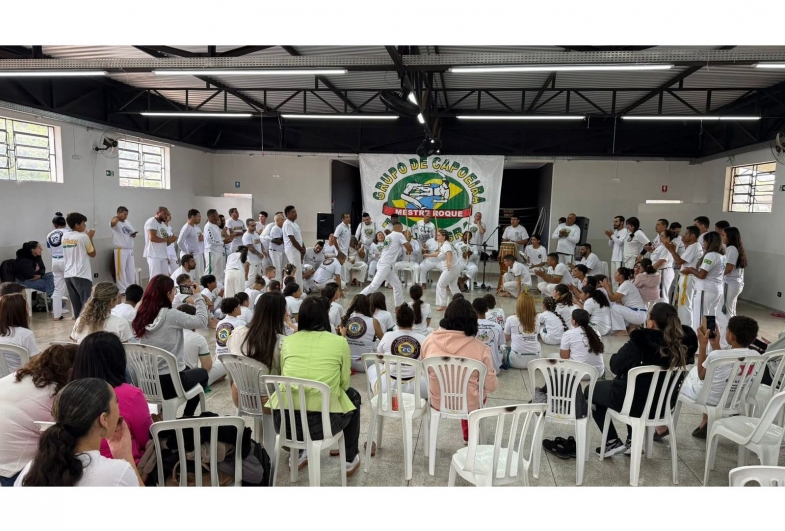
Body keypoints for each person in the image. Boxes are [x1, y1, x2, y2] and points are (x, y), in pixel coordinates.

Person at [267, 296, 363, 475]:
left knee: (294, 398)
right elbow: (343, 384)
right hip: (322, 425)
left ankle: (299, 452)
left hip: (284, 424)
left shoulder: (287, 342)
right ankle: (350, 459)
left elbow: (285, 376)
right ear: (325, 317)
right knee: (353, 395)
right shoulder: (339, 342)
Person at [589, 303, 694, 457]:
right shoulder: (684, 345)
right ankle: (632, 440)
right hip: (662, 405)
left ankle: (611, 441)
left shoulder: (640, 342)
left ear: (651, 322)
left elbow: (615, 365)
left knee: (591, 391)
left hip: (635, 404)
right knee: (636, 387)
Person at [15, 378, 143, 486]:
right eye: (117, 402)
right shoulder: (119, 473)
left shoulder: (32, 469)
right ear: (103, 419)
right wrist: (125, 457)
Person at [0, 343, 78, 486]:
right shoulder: (54, 394)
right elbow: (72, 437)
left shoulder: (17, 376)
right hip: (15, 467)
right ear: (72, 371)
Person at [422, 298, 498, 442]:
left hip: (438, 401)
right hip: (470, 403)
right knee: (477, 391)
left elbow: (424, 373)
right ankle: (470, 436)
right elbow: (491, 386)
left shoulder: (428, 341)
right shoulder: (482, 349)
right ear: (472, 320)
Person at [132, 275, 209, 416]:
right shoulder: (171, 315)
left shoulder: (140, 313)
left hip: (146, 381)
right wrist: (198, 296)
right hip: (170, 383)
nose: (175, 295)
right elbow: (202, 321)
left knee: (187, 368)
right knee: (202, 374)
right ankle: (187, 415)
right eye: (174, 292)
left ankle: (162, 414)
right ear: (167, 294)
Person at [70, 332, 151, 463]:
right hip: (126, 467)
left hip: (78, 466)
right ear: (118, 360)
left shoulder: (67, 393)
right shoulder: (130, 395)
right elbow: (146, 439)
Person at [679, 315, 759, 439]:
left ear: (731, 336)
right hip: (734, 399)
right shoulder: (756, 356)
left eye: (726, 330)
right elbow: (726, 364)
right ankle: (705, 421)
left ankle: (705, 420)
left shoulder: (716, 355)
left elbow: (701, 375)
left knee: (694, 372)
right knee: (718, 378)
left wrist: (703, 346)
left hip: (709, 399)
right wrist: (715, 345)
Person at [226, 292, 286, 407]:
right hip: (268, 400)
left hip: (240, 395)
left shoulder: (237, 333)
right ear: (280, 314)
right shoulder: (281, 342)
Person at [368, 303, 428, 398]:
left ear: (397, 321)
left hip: (387, 388)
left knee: (372, 368)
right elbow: (425, 363)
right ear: (413, 322)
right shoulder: (423, 339)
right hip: (417, 389)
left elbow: (380, 357)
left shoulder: (387, 335)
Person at [680, 231, 725, 331]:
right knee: (710, 317)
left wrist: (690, 269)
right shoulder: (721, 256)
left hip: (706, 290)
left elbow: (701, 275)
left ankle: (700, 344)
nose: (703, 244)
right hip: (716, 290)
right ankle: (710, 342)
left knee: (700, 319)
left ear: (710, 242)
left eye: (705, 242)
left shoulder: (711, 255)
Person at [360, 222, 412, 309]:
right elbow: (410, 248)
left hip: (386, 265)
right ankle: (357, 300)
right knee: (373, 286)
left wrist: (405, 242)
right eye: (402, 229)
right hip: (385, 265)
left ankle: (398, 307)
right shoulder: (399, 235)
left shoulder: (389, 236)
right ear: (399, 228)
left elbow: (403, 249)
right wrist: (406, 239)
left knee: (397, 285)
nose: (402, 230)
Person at [176, 304, 226, 387]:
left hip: (169, 378)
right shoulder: (198, 338)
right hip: (189, 380)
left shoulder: (167, 335)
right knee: (223, 364)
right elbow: (207, 367)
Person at [663, 225, 703, 327]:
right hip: (687, 276)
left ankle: (686, 327)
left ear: (692, 236)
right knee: (684, 303)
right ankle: (686, 326)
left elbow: (680, 261)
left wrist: (671, 249)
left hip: (688, 277)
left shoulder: (694, 246)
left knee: (684, 303)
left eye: (686, 234)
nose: (683, 236)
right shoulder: (692, 246)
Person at [62, 212, 96, 318]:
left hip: (68, 274)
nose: (85, 226)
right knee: (87, 304)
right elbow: (92, 254)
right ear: (77, 225)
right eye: (83, 224)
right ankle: (86, 328)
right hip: (82, 274)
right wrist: (90, 237)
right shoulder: (83, 237)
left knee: (76, 305)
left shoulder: (65, 236)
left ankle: (77, 329)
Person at [341, 294, 384, 373]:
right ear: (368, 306)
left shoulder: (345, 319)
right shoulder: (373, 321)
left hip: (347, 363)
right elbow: (383, 340)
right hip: (367, 364)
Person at [0, 294, 40, 373]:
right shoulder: (26, 334)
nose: (28, 309)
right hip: (19, 378)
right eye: (27, 308)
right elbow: (35, 363)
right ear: (20, 312)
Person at [560, 309, 605, 377]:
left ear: (574, 321)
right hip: (597, 373)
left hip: (577, 374)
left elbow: (564, 357)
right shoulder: (596, 332)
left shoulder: (568, 334)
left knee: (555, 358)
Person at [602, 268, 647, 336]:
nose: (614, 275)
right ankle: (629, 327)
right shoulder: (625, 284)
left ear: (621, 276)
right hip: (637, 313)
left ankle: (622, 330)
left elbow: (613, 298)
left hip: (638, 314)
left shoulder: (626, 285)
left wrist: (607, 287)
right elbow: (616, 299)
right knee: (616, 305)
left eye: (616, 273)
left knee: (615, 308)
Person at [504, 292, 540, 368]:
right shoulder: (537, 318)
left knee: (502, 349)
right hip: (536, 360)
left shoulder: (511, 319)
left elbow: (506, 338)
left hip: (516, 360)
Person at [431, 229, 465, 310]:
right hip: (455, 268)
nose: (437, 237)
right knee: (453, 286)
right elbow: (439, 254)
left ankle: (442, 304)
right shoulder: (445, 244)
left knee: (441, 284)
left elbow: (448, 253)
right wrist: (428, 255)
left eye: (439, 235)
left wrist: (449, 262)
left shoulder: (446, 245)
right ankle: (461, 303)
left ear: (444, 237)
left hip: (451, 268)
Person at [46, 212, 69, 321]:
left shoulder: (49, 235)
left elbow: (50, 250)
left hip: (55, 261)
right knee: (72, 288)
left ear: (54, 224)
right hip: (67, 260)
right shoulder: (69, 233)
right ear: (65, 223)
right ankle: (75, 315)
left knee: (58, 290)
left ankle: (56, 315)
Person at [143, 206, 176, 280]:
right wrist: (167, 239)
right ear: (157, 213)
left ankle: (163, 292)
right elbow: (152, 238)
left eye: (167, 214)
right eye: (164, 213)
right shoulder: (152, 221)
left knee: (163, 279)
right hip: (154, 255)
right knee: (155, 279)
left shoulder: (163, 225)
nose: (166, 216)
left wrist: (171, 240)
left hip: (163, 255)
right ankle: (153, 292)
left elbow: (166, 243)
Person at [110, 206, 137, 296]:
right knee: (121, 270)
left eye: (127, 214)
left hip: (130, 249)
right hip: (120, 250)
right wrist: (117, 217)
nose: (126, 216)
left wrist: (133, 234)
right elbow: (112, 224)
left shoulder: (128, 222)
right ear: (119, 213)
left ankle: (130, 287)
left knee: (130, 269)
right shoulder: (115, 221)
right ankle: (122, 290)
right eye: (124, 214)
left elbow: (131, 233)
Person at [473, 297, 505, 372]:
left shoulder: (469, 326)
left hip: (474, 369)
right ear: (487, 309)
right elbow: (500, 345)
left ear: (473, 310)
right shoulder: (497, 326)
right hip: (494, 369)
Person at [722, 227, 747, 319]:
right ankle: (733, 330)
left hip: (730, 283)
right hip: (734, 283)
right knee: (731, 309)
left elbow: (729, 267)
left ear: (730, 237)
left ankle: (728, 332)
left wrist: (716, 275)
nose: (722, 237)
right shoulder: (735, 248)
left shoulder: (731, 249)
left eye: (724, 235)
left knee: (726, 311)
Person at [204, 209, 233, 280]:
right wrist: (223, 242)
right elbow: (211, 241)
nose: (218, 217)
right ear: (212, 216)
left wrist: (225, 240)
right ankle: (206, 288)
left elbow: (218, 239)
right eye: (216, 215)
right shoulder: (208, 226)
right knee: (209, 272)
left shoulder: (215, 226)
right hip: (212, 252)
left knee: (219, 272)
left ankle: (218, 287)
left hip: (219, 252)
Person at [178, 209, 204, 281]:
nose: (200, 218)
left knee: (197, 276)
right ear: (192, 217)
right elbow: (179, 242)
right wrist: (187, 253)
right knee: (188, 277)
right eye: (198, 216)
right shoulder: (186, 228)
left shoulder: (195, 227)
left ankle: (197, 291)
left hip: (195, 255)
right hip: (187, 257)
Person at [283, 205, 306, 286]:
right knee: (295, 271)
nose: (295, 214)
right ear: (287, 213)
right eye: (293, 212)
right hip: (292, 250)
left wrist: (303, 247)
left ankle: (299, 290)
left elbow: (299, 238)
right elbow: (292, 239)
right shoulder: (287, 224)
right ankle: (295, 291)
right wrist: (301, 249)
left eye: (296, 212)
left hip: (297, 249)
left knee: (299, 270)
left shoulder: (295, 224)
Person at [651, 229, 676, 302]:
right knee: (656, 294)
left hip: (664, 271)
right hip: (658, 271)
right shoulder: (661, 246)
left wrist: (650, 270)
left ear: (668, 238)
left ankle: (665, 312)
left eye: (662, 236)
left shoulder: (668, 247)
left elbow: (662, 261)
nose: (660, 237)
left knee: (662, 294)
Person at [605, 215, 628, 289]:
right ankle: (615, 294)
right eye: (614, 221)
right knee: (614, 278)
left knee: (619, 278)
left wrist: (612, 235)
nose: (614, 223)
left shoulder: (625, 231)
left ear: (622, 222)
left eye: (616, 221)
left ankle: (619, 295)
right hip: (614, 258)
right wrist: (610, 237)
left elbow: (620, 243)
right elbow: (610, 245)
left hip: (620, 258)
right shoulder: (615, 232)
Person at [242, 218, 265, 284]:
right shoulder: (246, 236)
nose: (254, 227)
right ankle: (247, 292)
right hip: (252, 260)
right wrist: (258, 254)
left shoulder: (255, 234)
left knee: (258, 278)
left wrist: (263, 251)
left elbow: (260, 243)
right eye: (252, 226)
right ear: (247, 226)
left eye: (255, 225)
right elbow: (249, 247)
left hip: (259, 260)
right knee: (251, 278)